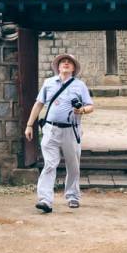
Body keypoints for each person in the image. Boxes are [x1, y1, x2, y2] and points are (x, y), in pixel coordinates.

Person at [24, 53, 94, 213]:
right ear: (58, 66)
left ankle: (72, 196)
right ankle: (45, 200)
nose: (66, 63)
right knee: (49, 164)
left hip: (71, 130)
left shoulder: (80, 85)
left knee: (73, 165)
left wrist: (81, 110)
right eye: (63, 61)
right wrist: (29, 125)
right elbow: (38, 104)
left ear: (74, 68)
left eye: (69, 62)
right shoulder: (48, 83)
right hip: (51, 129)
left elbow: (91, 106)